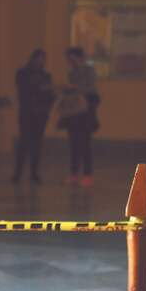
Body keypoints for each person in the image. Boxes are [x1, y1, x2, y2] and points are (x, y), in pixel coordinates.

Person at [57, 46, 100, 187]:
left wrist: (74, 88)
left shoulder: (89, 70)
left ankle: (88, 175)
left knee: (85, 143)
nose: (69, 61)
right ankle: (74, 174)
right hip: (73, 111)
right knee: (73, 143)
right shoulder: (72, 72)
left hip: (85, 111)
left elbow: (90, 89)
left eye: (71, 58)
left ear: (78, 57)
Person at [13, 49, 55, 184]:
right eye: (39, 59)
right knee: (23, 143)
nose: (41, 62)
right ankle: (18, 173)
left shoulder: (46, 76)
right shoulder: (22, 74)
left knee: (37, 144)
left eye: (43, 59)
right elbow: (24, 90)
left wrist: (46, 96)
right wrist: (41, 89)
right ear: (33, 58)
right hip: (27, 113)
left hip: (40, 114)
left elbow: (50, 95)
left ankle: (34, 173)